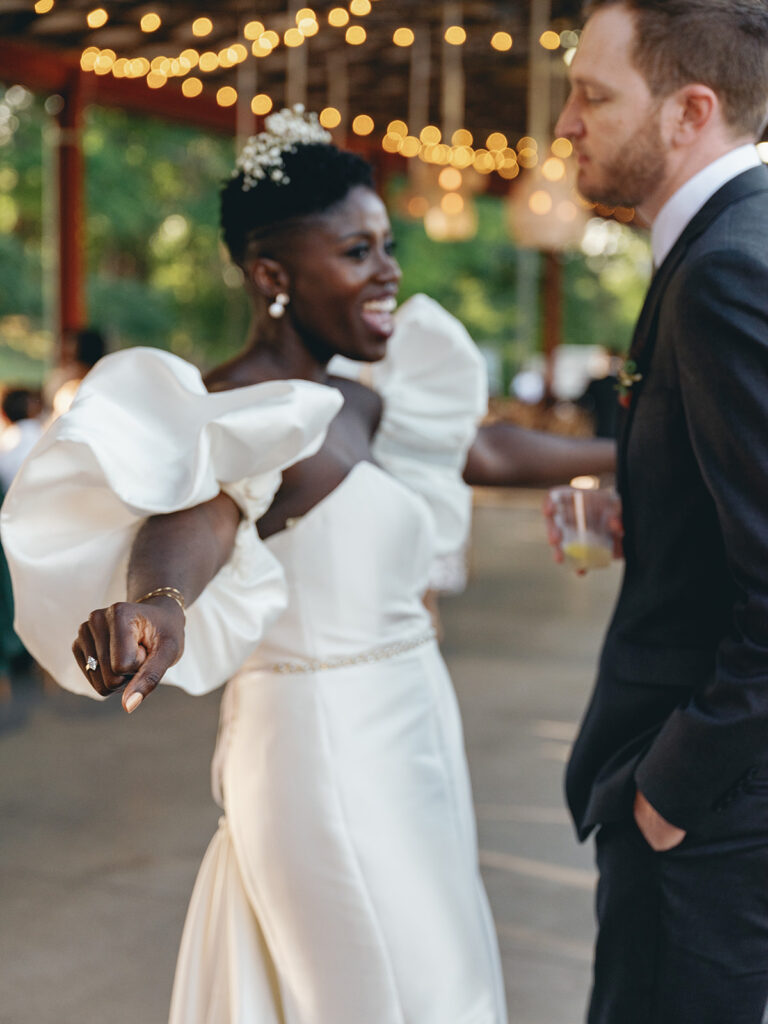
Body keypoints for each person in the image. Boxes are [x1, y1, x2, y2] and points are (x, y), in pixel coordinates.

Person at [2, 108, 615, 1024]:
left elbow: (480, 453)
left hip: (412, 728)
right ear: (271, 276)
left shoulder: (355, 401)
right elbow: (199, 515)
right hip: (323, 746)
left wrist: (641, 449)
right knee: (388, 992)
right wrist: (160, 604)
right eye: (358, 252)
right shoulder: (237, 410)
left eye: (387, 245)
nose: (389, 271)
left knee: (437, 975)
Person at [553, 2, 768, 1022]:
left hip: (712, 816)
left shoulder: (727, 268)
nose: (563, 123)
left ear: (691, 110)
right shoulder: (729, 239)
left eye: (592, 95)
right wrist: (651, 502)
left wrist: (670, 791)